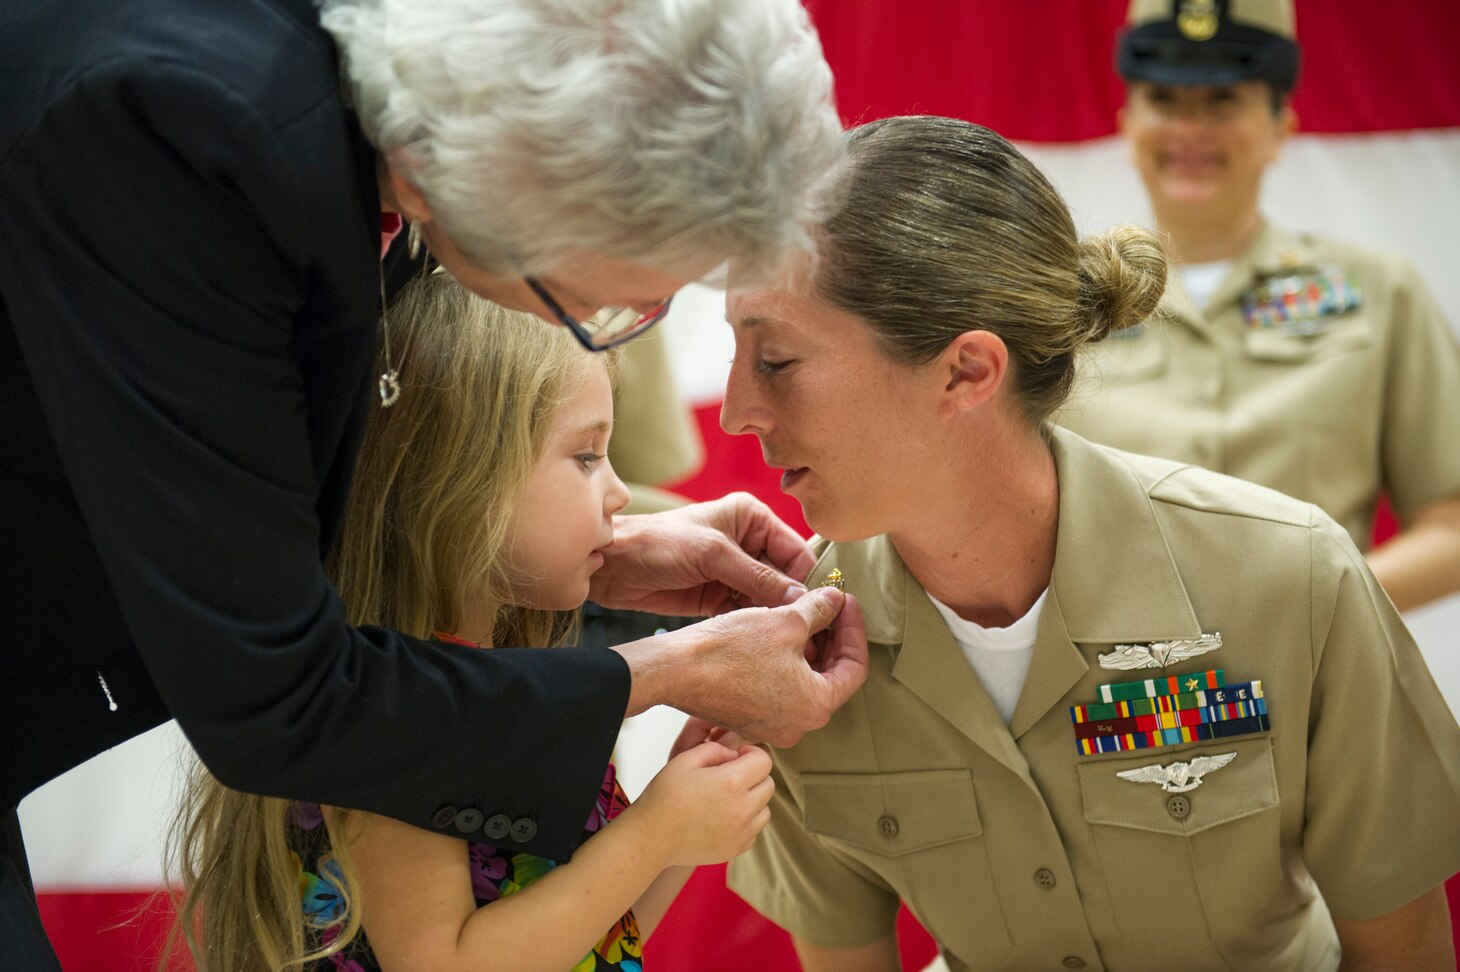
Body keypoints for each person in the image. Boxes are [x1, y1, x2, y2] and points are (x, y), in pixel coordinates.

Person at [0, 1, 866, 966]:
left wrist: (604, 562)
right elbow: (277, 697)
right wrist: (670, 674)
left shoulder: (344, 133)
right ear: (524, 172)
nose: (628, 315)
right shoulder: (191, 135)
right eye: (619, 297)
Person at [711, 115, 1459, 971]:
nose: (737, 411)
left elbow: (1404, 953)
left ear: (966, 372)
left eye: (775, 361)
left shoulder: (1293, 580)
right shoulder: (795, 656)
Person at [168, 271, 775, 972]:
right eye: (585, 456)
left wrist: (676, 819)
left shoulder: (516, 688)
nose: (617, 494)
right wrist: (654, 837)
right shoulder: (402, 713)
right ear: (463, 482)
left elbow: (581, 939)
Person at [1054, 0, 1460, 612]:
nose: (1191, 128)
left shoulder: (1379, 293)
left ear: (1279, 129)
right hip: (1124, 698)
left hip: (1326, 694)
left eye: (1224, 101)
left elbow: (1451, 523)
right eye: (1164, 99)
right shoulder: (1056, 302)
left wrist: (1317, 611)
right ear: (1128, 124)